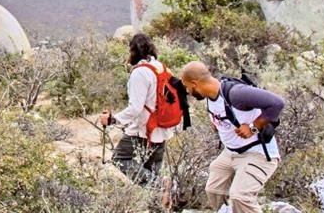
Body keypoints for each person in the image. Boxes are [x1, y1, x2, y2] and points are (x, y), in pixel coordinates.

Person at [179, 62, 284, 213]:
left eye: (187, 86)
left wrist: (254, 126)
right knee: (214, 190)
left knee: (240, 197)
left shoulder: (236, 94)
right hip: (231, 153)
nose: (188, 91)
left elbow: (277, 103)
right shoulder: (210, 96)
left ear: (195, 83)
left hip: (257, 153)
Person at [98, 33, 179, 184]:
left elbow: (136, 107)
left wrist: (113, 120)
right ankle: (161, 196)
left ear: (133, 51)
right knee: (152, 167)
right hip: (162, 127)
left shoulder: (140, 72)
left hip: (144, 128)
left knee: (120, 158)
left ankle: (160, 186)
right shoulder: (162, 67)